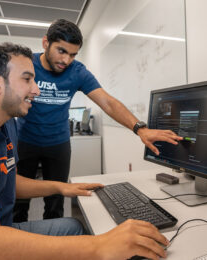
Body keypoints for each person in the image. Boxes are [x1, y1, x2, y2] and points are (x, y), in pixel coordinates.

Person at [0, 42, 169, 260]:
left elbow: (4, 179)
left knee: (73, 226)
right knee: (94, 241)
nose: (37, 90)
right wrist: (99, 246)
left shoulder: (4, 121)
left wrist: (60, 187)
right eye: (27, 79)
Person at [14, 19, 183, 222]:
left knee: (56, 203)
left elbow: (107, 102)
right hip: (24, 141)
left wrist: (140, 128)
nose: (66, 60)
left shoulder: (77, 71)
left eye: (73, 54)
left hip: (57, 144)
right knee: (17, 201)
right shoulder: (27, 64)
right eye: (61, 51)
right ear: (45, 43)